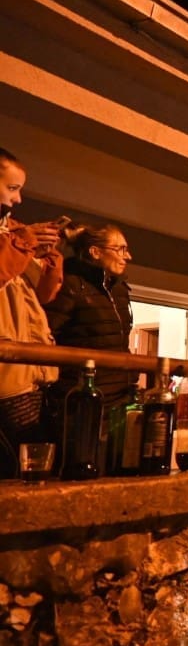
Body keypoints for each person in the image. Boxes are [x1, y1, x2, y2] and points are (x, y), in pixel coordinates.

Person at [0, 148, 63, 477]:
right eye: (12, 188)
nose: (19, 199)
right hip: (7, 378)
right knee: (16, 476)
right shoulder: (15, 238)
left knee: (37, 472)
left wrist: (49, 257)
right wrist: (21, 243)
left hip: (33, 375)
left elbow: (45, 295)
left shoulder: (13, 232)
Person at [43, 223, 135, 447]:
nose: (128, 256)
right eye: (120, 249)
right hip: (81, 402)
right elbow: (45, 335)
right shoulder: (70, 285)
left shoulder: (119, 290)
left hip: (119, 400)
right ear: (95, 252)